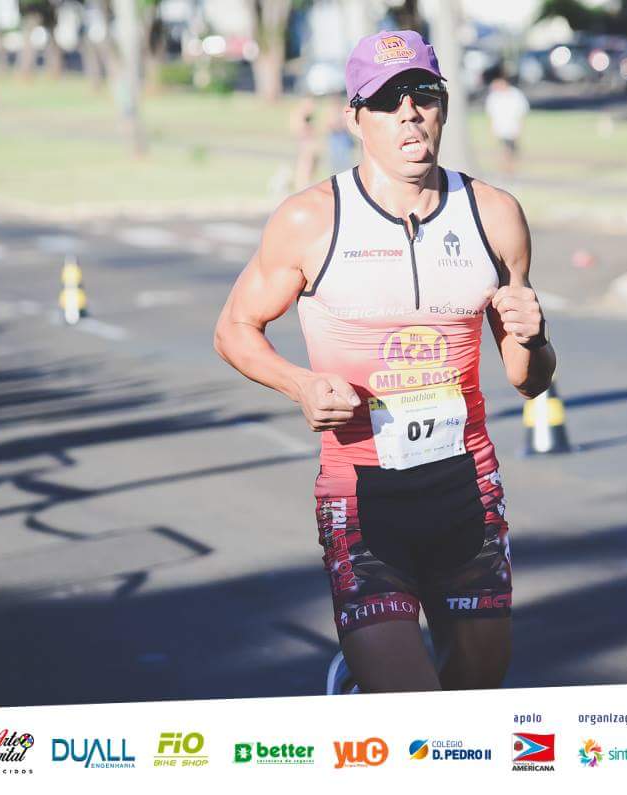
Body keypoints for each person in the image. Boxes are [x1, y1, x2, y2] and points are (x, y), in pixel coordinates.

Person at [213, 29, 556, 694]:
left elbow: (528, 380)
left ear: (443, 106)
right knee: (413, 709)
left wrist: (535, 339)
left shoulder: (495, 216)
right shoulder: (311, 220)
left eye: (422, 94)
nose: (408, 112)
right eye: (386, 100)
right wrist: (299, 384)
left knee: (479, 691)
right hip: (362, 493)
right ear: (356, 118)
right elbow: (234, 328)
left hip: (466, 485)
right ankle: (368, 693)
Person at [483, 73, 530, 177]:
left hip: (512, 127)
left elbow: (522, 111)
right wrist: (491, 128)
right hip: (500, 128)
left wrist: (520, 127)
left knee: (512, 149)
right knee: (504, 148)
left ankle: (511, 168)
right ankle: (505, 168)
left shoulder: (515, 94)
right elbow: (490, 113)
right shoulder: (494, 96)